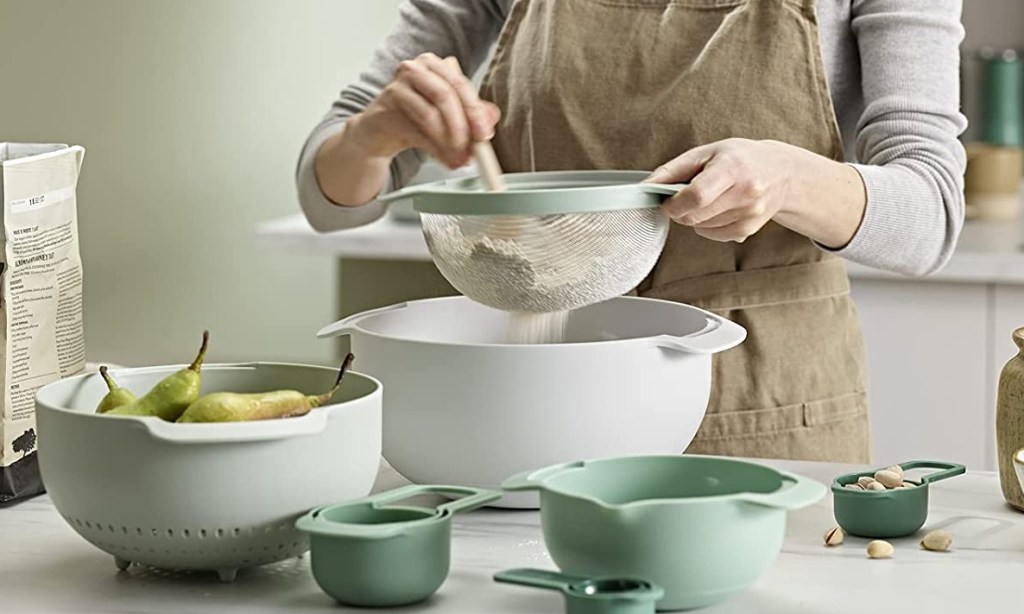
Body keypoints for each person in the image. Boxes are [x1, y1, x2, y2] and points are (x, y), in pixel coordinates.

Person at [296, 0, 967, 464]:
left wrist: (787, 180)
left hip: (767, 405)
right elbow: (329, 198)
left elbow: (930, 212)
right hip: (532, 402)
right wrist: (374, 132)